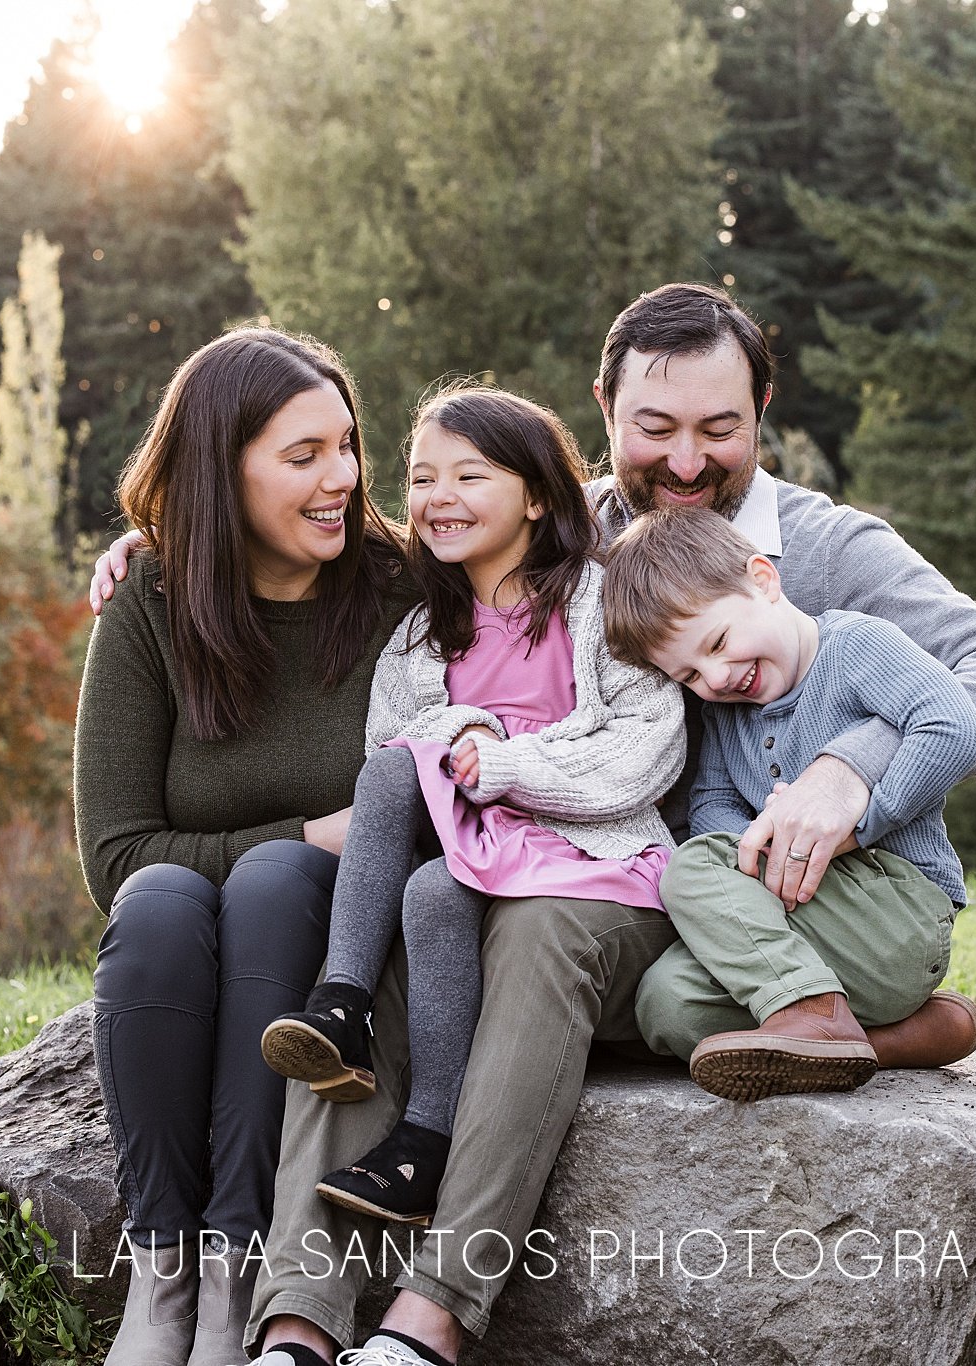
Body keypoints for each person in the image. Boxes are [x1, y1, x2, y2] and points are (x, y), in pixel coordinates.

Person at [91, 284, 976, 1366]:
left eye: (721, 430)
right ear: (602, 408)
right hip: (563, 861)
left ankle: (428, 1321)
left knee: (537, 933)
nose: (688, 462)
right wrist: (168, 549)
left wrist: (850, 769)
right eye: (654, 429)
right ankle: (291, 1324)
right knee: (398, 940)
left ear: (764, 412)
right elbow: (365, 553)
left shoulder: (824, 548)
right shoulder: (553, 515)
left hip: (667, 881)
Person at [258, 385, 684, 1241]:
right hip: (476, 849)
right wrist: (466, 732)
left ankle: (373, 1048)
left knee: (400, 795)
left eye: (469, 476)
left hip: (588, 848)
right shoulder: (421, 634)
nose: (438, 498)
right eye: (421, 479)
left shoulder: (602, 603)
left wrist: (507, 762)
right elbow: (396, 744)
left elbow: (650, 743)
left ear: (535, 495)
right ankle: (396, 1090)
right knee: (421, 878)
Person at [74, 326, 410, 1366]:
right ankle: (161, 1274)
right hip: (188, 927)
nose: (341, 479)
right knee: (163, 903)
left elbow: (532, 522)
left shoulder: (405, 587)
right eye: (302, 455)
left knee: (269, 880)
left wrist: (304, 851)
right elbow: (116, 854)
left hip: (352, 942)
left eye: (346, 446)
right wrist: (311, 830)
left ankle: (236, 1277)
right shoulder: (152, 602)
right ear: (222, 470)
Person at [604, 505, 976, 1101]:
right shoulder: (726, 711)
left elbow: (951, 724)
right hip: (804, 923)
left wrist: (854, 827)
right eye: (689, 675)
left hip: (895, 911)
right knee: (667, 1003)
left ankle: (813, 1011)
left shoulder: (856, 645)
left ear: (763, 580)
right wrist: (761, 852)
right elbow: (711, 805)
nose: (716, 677)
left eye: (719, 641)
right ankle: (891, 1040)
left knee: (692, 867)